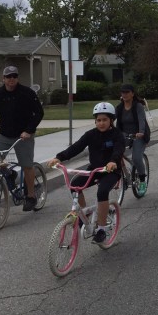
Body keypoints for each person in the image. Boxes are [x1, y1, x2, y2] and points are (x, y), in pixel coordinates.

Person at [47, 103, 125, 243]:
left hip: (111, 171)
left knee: (102, 192)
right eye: (98, 120)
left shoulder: (116, 134)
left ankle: (101, 229)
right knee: (74, 185)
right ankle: (84, 214)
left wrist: (113, 161)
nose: (101, 123)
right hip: (94, 169)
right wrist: (59, 157)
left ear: (111, 120)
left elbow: (118, 149)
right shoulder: (90, 135)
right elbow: (76, 147)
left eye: (104, 120)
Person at [0, 66, 44, 211]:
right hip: (4, 134)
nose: (11, 79)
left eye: (14, 76)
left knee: (27, 165)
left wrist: (29, 131)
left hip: (23, 136)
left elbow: (39, 113)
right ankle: (10, 174)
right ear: (3, 79)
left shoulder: (27, 93)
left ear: (17, 78)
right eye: (8, 76)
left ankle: (31, 196)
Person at [115, 84, 150, 196]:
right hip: (124, 135)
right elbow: (115, 123)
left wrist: (141, 132)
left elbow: (141, 121)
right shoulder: (119, 108)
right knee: (112, 152)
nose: (124, 94)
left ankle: (142, 181)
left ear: (132, 93)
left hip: (138, 135)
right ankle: (120, 175)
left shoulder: (138, 106)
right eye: (123, 92)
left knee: (136, 157)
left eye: (127, 92)